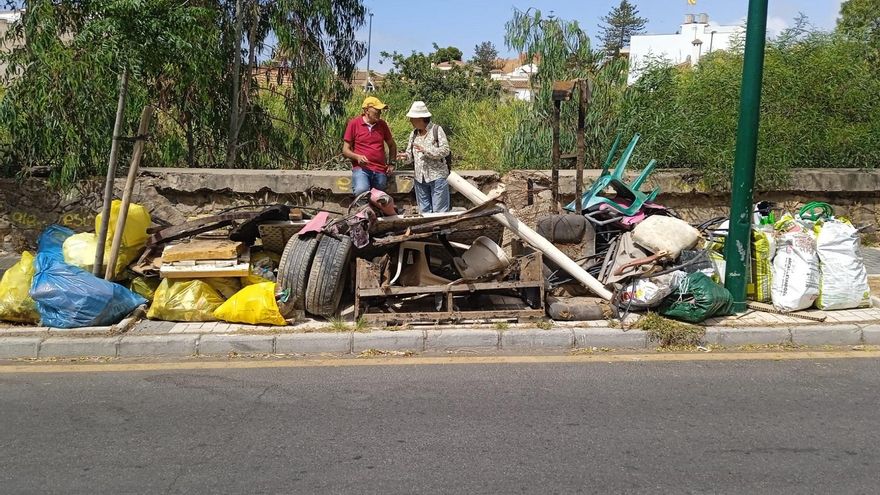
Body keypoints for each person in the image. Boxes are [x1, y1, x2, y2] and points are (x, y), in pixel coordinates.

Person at [396, 101, 451, 213]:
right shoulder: (414, 133)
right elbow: (410, 156)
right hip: (420, 179)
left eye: (412, 118)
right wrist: (404, 157)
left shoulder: (436, 130)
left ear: (420, 118)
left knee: (439, 211)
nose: (410, 121)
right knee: (424, 211)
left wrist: (426, 151)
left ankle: (440, 231)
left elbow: (445, 151)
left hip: (437, 177)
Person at [342, 96, 397, 196]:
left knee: (379, 197)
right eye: (377, 110)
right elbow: (345, 150)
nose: (379, 113)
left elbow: (392, 145)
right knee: (361, 190)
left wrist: (392, 163)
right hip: (361, 169)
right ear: (367, 110)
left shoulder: (382, 125)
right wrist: (357, 157)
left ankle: (375, 211)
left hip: (380, 169)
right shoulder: (354, 124)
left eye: (380, 111)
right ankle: (364, 210)